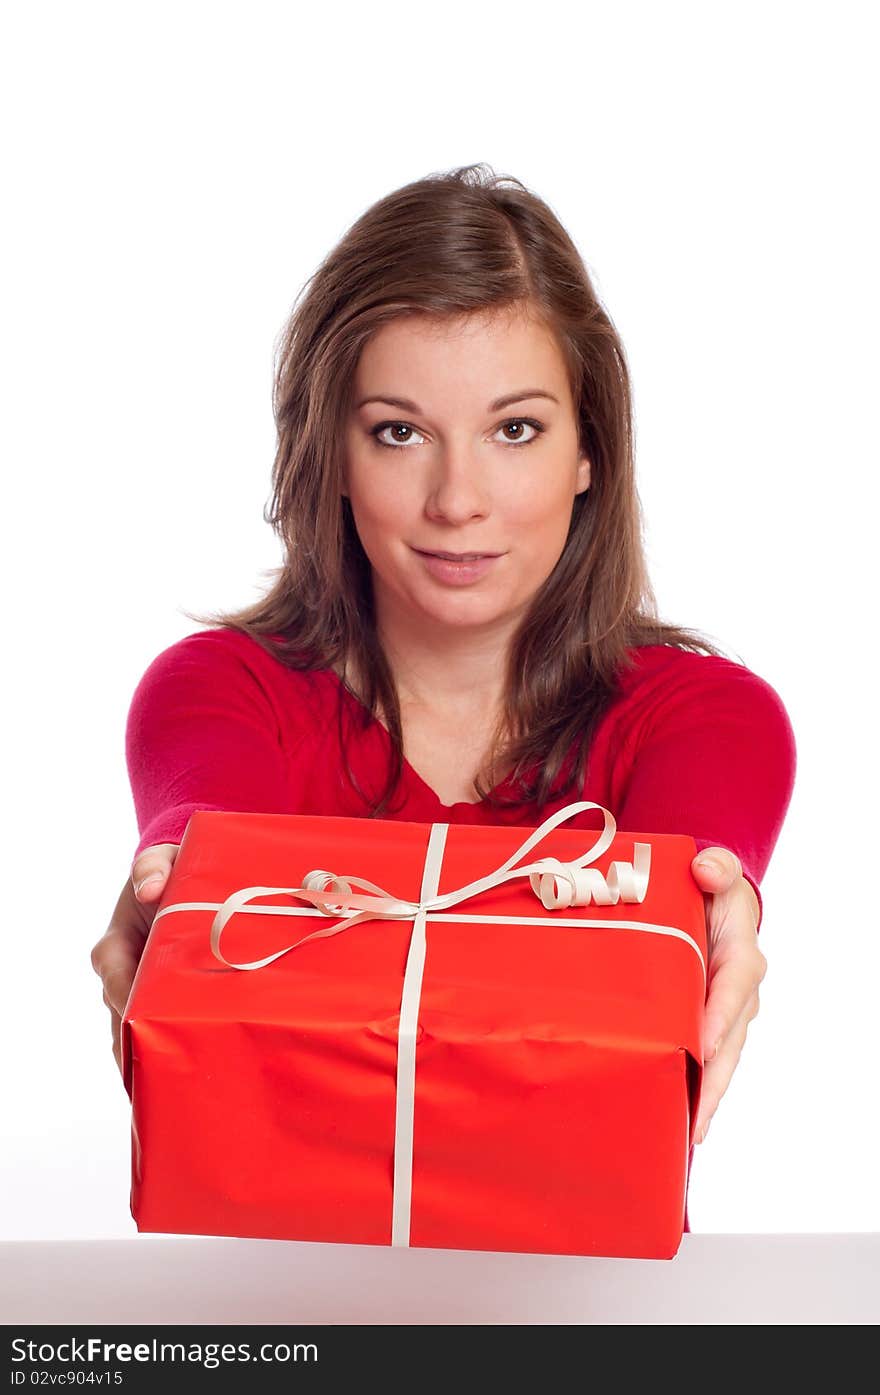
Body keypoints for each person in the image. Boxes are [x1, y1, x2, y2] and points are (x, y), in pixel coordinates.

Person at [91, 163, 796, 1232]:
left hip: (579, 1312)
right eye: (397, 431)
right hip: (270, 1303)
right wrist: (179, 911)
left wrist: (716, 912)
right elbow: (204, 888)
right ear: (327, 452)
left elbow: (650, 982)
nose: (457, 501)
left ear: (588, 452)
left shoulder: (706, 718)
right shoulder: (217, 692)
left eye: (514, 430)